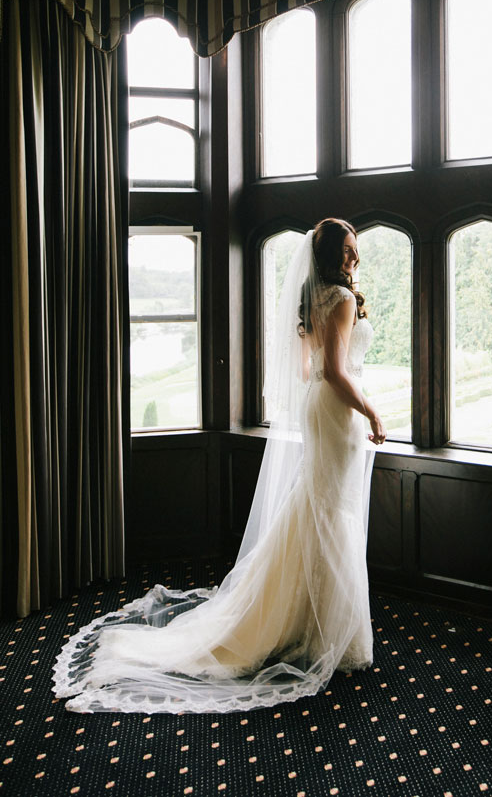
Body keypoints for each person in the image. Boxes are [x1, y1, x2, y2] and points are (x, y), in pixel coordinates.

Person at [53, 218, 386, 713]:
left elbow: (307, 369)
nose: (352, 259)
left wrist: (333, 382)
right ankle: (320, 633)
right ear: (330, 255)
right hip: (337, 412)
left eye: (355, 250)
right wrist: (371, 410)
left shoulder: (313, 298)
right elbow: (337, 371)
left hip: (322, 409)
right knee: (330, 508)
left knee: (319, 504)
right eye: (346, 250)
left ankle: (306, 619)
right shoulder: (338, 299)